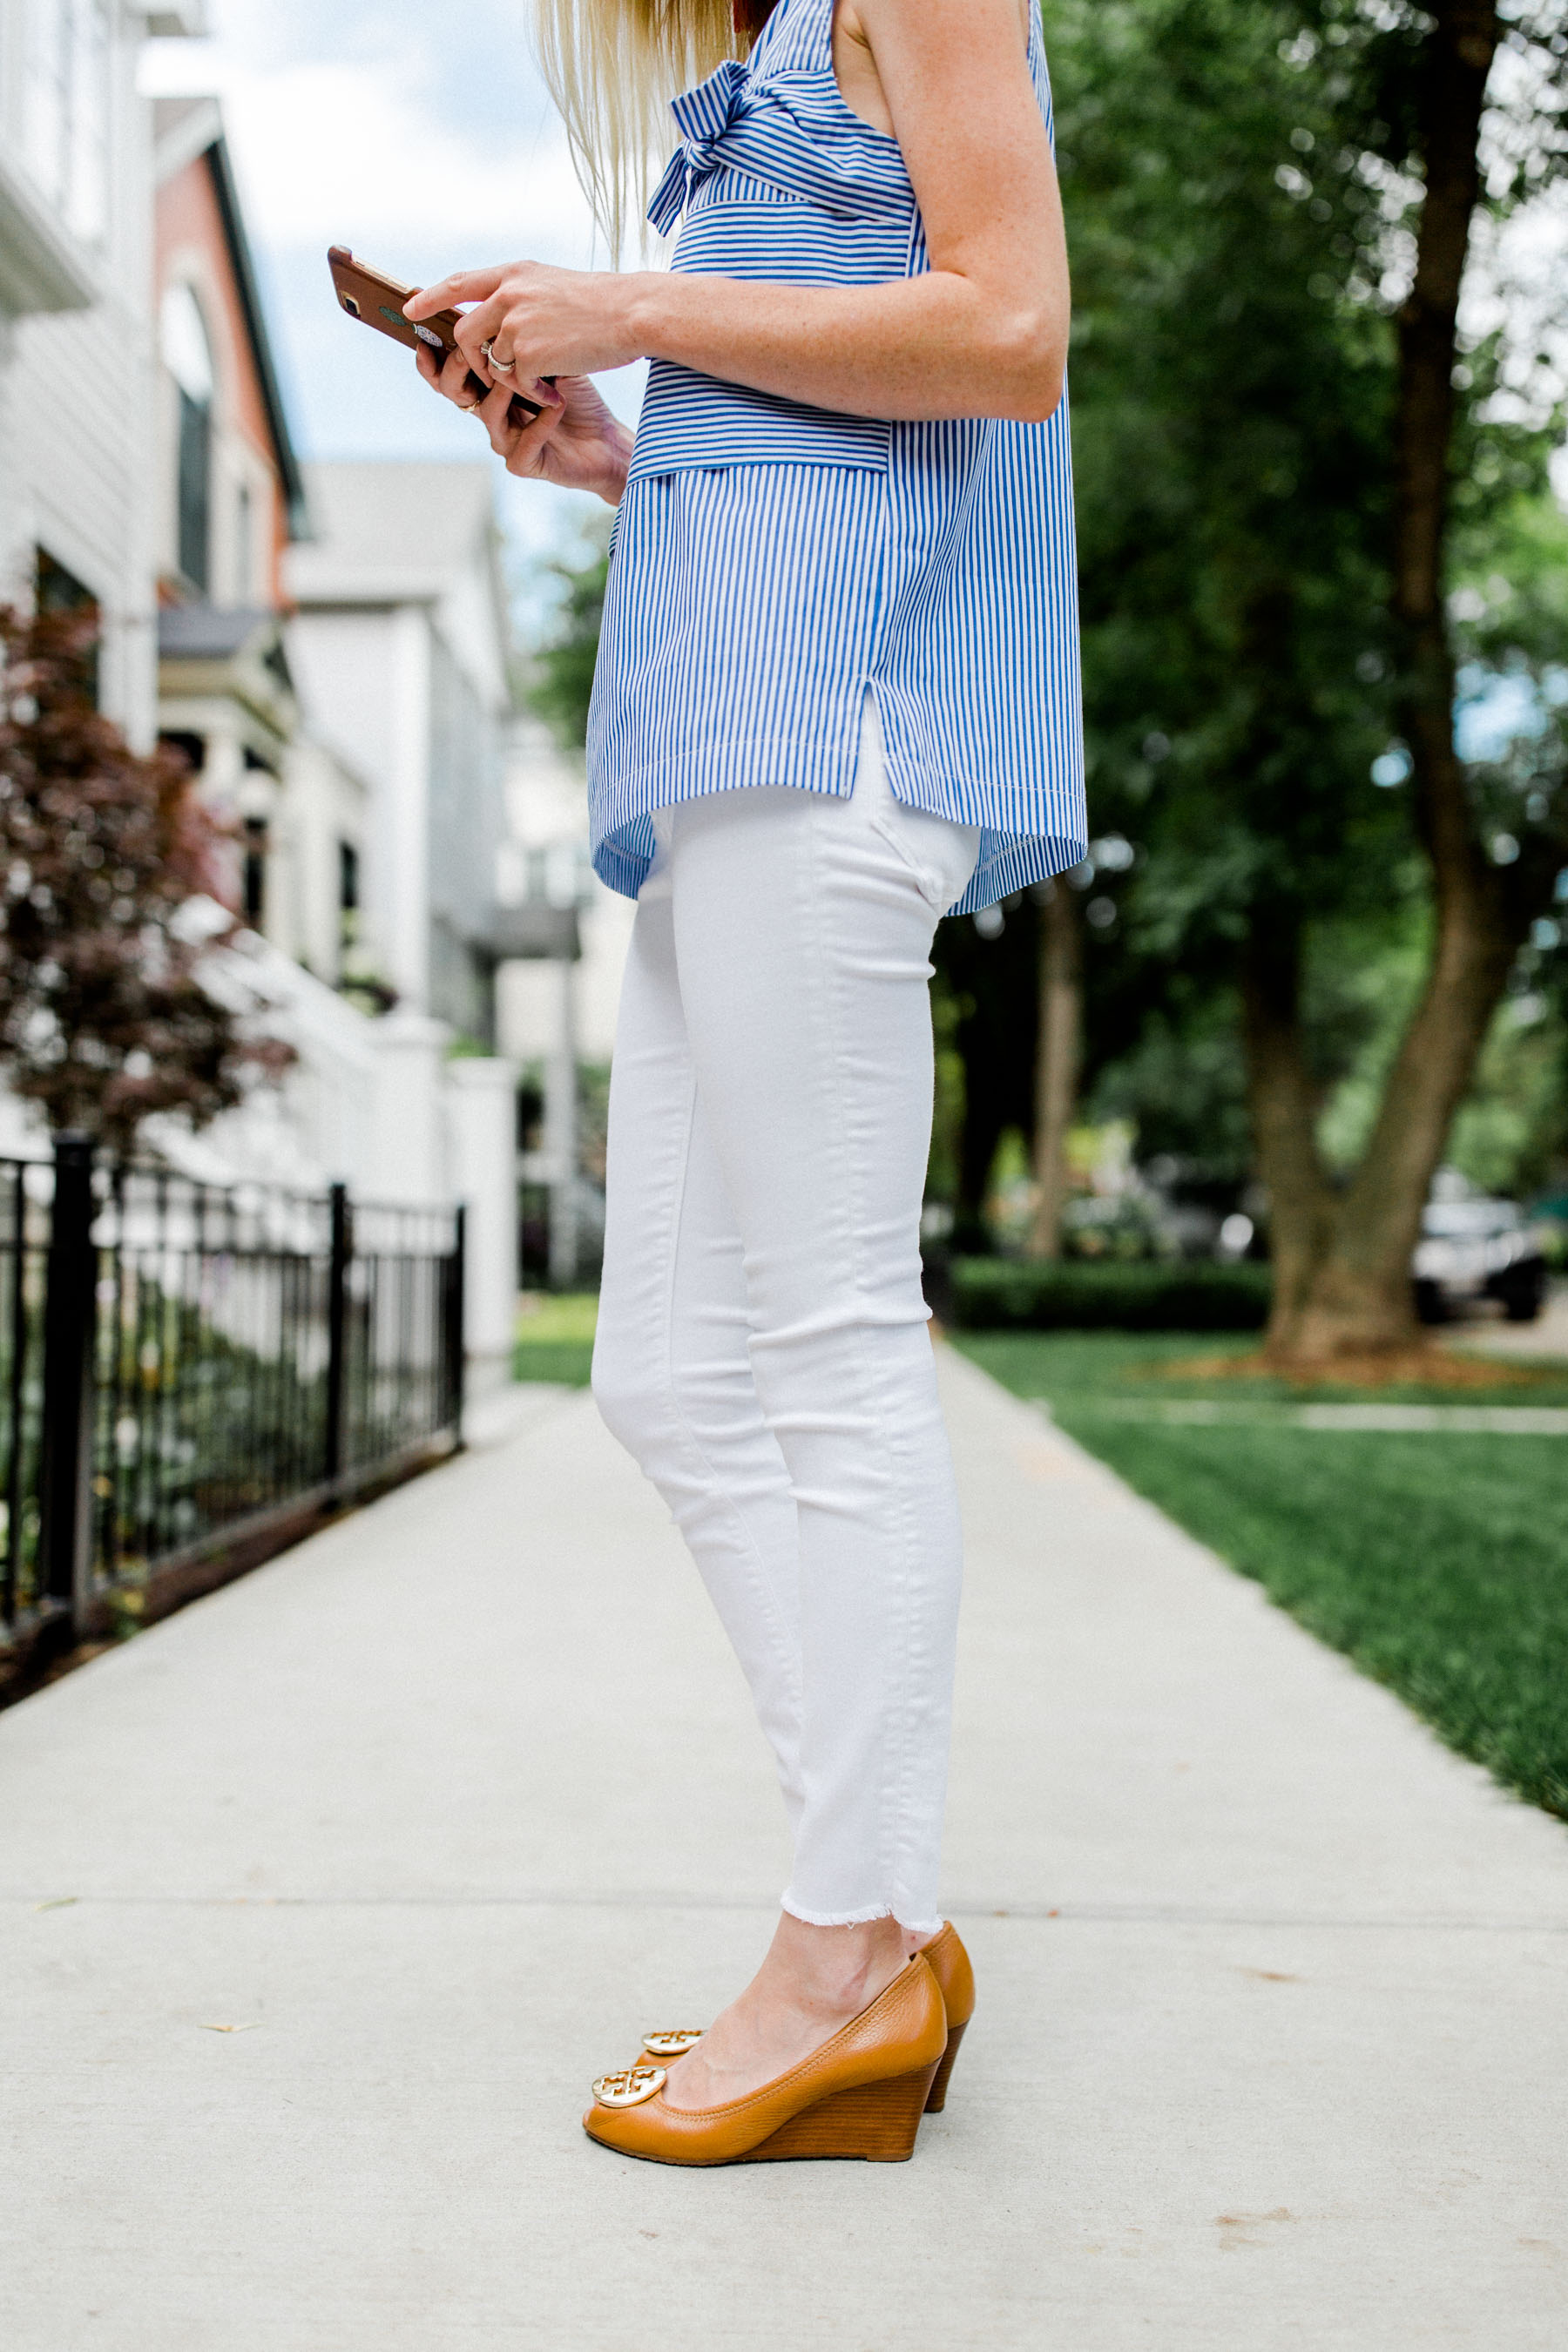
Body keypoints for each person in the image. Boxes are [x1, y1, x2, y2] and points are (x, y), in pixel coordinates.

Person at [409, 0, 1085, 2166]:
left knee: (818, 1346)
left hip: (838, 729)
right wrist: (615, 438)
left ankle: (840, 1956)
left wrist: (636, 298)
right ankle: (875, 1914)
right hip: (721, 742)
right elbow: (821, 416)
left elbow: (1011, 329)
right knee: (670, 1378)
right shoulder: (781, 35)